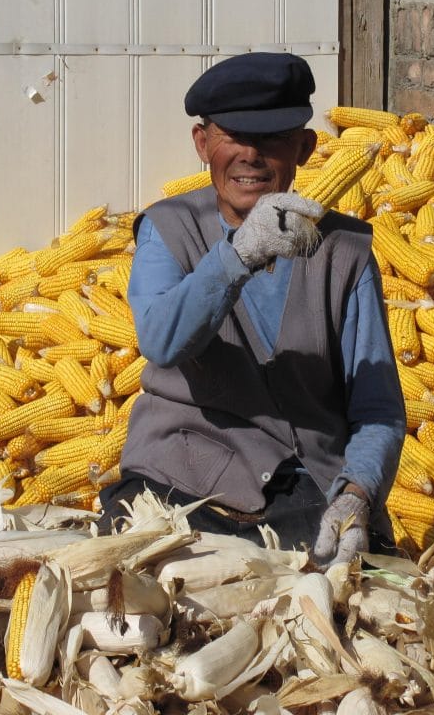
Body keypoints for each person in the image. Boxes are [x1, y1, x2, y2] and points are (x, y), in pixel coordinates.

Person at [97, 52, 406, 567]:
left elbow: (377, 410)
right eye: (232, 137)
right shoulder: (169, 229)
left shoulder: (345, 253)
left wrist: (357, 493)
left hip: (303, 489)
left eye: (272, 139)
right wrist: (239, 255)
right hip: (180, 478)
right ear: (202, 144)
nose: (251, 156)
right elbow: (160, 339)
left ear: (305, 148)